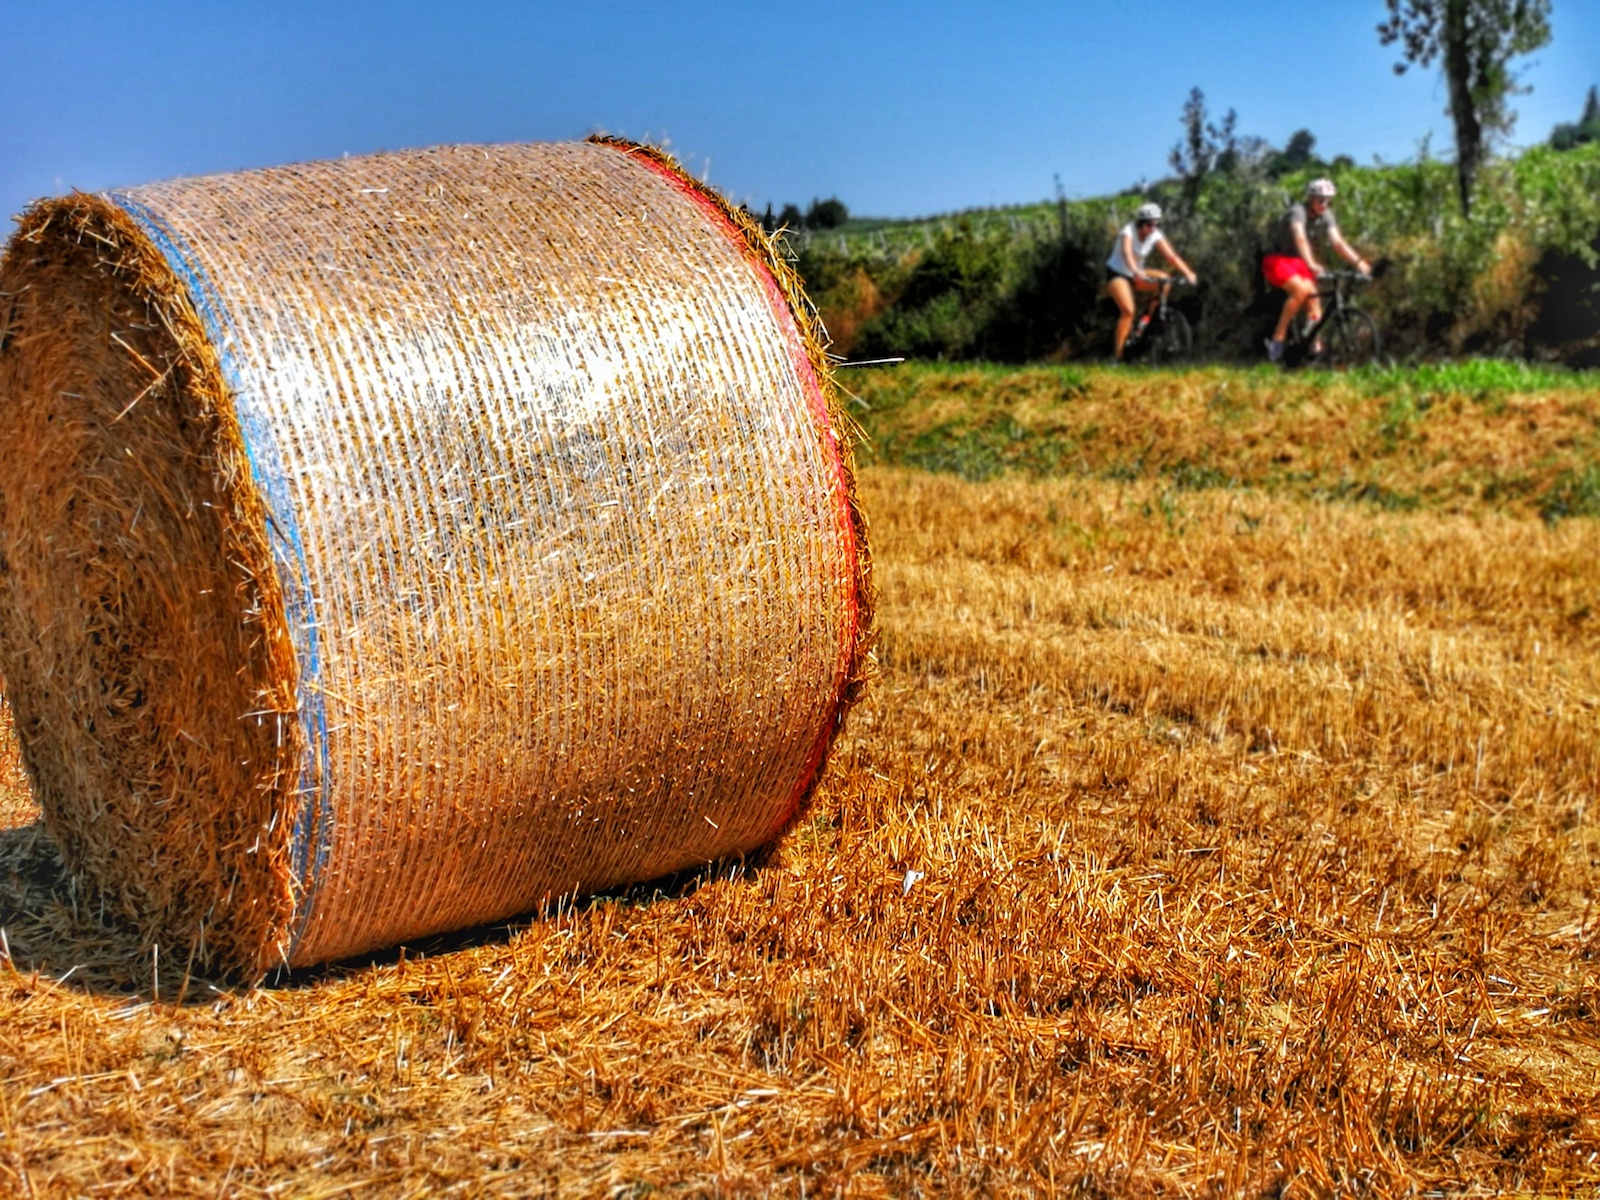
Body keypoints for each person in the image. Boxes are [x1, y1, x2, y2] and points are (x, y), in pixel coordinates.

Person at [1262, 179, 1371, 364]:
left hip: (1298, 261)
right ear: (1310, 199)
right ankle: (1277, 339)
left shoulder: (1326, 214)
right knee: (1301, 291)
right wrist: (1311, 263)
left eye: (1329, 201)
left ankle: (1314, 347)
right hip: (1277, 259)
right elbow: (1300, 238)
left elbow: (1338, 242)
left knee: (1314, 300)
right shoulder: (1298, 212)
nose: (1325, 205)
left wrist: (1359, 262)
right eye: (1320, 200)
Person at [1105, 203, 1197, 362]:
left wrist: (1188, 273)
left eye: (1156, 224)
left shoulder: (1155, 234)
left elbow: (1171, 257)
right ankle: (1117, 357)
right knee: (1128, 311)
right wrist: (1136, 271)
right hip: (1119, 273)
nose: (1152, 228)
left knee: (1165, 280)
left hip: (1137, 273)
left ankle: (1151, 317)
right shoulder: (1128, 231)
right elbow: (1127, 254)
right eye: (1149, 224)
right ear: (1141, 223)